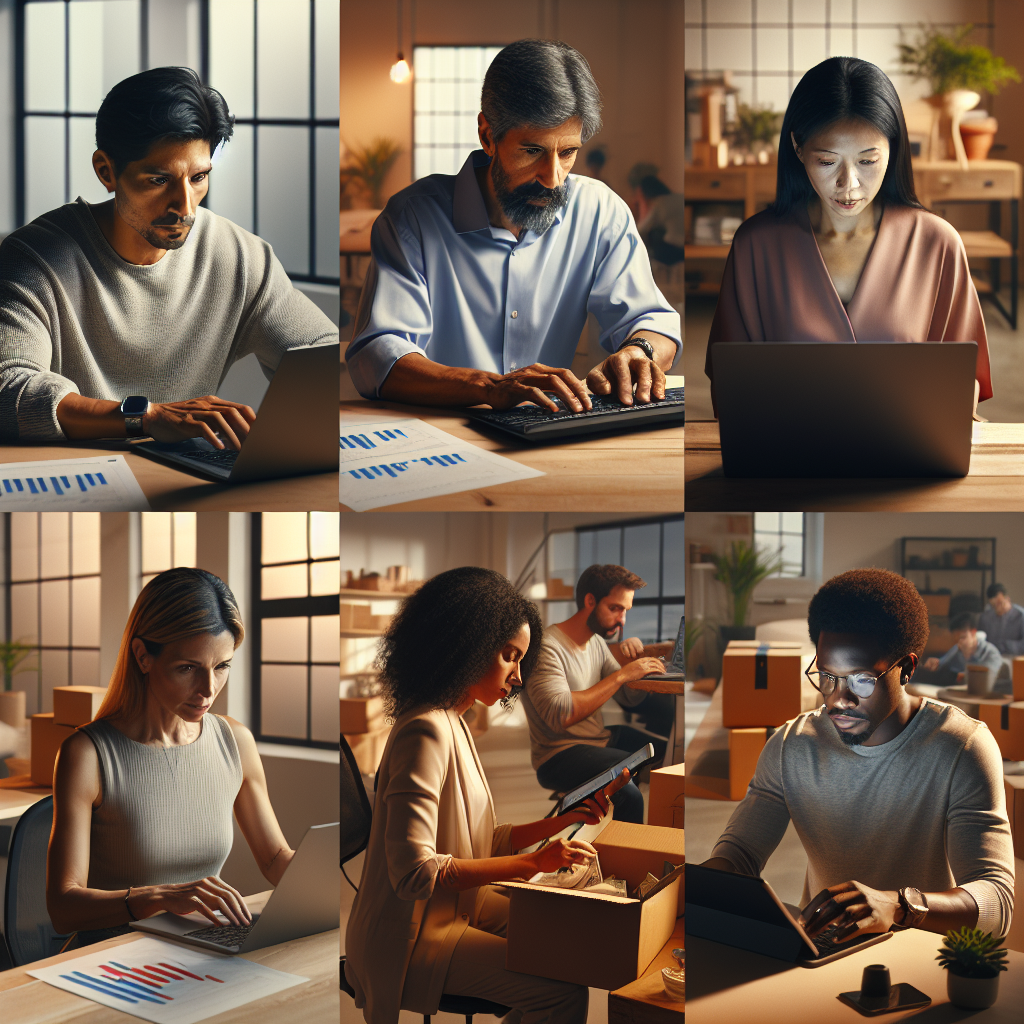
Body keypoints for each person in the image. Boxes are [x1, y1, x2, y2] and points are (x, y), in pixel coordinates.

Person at [345, 567, 629, 1024]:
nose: (517, 677)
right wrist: (534, 863)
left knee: (565, 940)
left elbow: (481, 839)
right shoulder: (425, 731)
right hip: (414, 935)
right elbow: (413, 875)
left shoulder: (455, 720)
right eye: (509, 656)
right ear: (467, 643)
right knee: (562, 994)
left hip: (456, 906)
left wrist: (561, 820)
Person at [0, 67, 337, 449]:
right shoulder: (33, 257)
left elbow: (320, 359)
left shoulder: (241, 257)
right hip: (69, 478)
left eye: (198, 178)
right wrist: (146, 417)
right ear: (106, 171)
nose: (185, 207)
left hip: (183, 478)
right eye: (159, 180)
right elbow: (9, 389)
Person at [345, 39, 681, 412]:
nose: (553, 178)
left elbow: (654, 321)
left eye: (567, 152)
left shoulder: (601, 211)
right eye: (532, 151)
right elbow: (376, 356)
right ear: (488, 136)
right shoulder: (413, 218)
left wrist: (640, 349)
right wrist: (488, 387)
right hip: (440, 430)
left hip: (547, 429)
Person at [703, 569, 1013, 942]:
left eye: (862, 680)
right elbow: (739, 853)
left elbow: (997, 902)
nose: (839, 700)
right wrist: (708, 885)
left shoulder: (962, 747)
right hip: (822, 952)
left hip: (922, 958)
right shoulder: (792, 745)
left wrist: (899, 905)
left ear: (907, 668)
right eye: (827, 677)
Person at [704, 57, 992, 418]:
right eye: (827, 161)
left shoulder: (937, 243)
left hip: (909, 458)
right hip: (787, 461)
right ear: (797, 148)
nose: (849, 185)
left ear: (894, 147)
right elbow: (732, 384)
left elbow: (965, 380)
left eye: (868, 162)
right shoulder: (755, 245)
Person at [47, 568, 295, 946]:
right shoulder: (87, 755)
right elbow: (63, 908)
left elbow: (275, 859)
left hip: (201, 948)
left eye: (222, 666)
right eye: (188, 668)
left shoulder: (235, 741)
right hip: (108, 960)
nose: (208, 690)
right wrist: (156, 897)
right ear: (143, 656)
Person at [520, 564, 674, 825]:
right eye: (615, 608)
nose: (622, 619)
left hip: (599, 740)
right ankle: (626, 859)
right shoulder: (547, 648)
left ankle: (661, 840)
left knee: (669, 755)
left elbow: (627, 698)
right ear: (590, 601)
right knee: (629, 793)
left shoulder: (596, 643)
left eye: (625, 610)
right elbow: (561, 715)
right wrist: (623, 675)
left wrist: (641, 663)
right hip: (559, 755)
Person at [921, 611, 1004, 688]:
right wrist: (934, 664)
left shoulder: (990, 653)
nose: (959, 643)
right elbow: (941, 664)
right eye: (956, 640)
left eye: (962, 638)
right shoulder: (956, 650)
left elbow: (987, 681)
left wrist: (965, 676)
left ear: (973, 632)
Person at [635, 176, 687, 266]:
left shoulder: (660, 203)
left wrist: (642, 205)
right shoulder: (679, 197)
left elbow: (640, 229)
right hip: (687, 246)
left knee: (652, 234)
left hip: (674, 249)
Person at [979, 583, 1024, 657]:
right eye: (993, 606)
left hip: (1015, 659)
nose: (997, 608)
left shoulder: (1021, 616)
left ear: (1007, 598)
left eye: (1000, 603)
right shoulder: (985, 618)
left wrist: (1004, 645)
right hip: (991, 658)